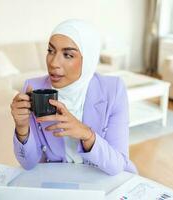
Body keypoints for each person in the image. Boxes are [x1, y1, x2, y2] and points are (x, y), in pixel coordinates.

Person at [10, 19, 137, 175]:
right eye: (50, 51)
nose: (53, 63)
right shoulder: (35, 89)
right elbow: (28, 164)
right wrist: (22, 128)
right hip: (56, 181)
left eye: (68, 55)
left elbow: (117, 165)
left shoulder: (113, 90)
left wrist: (86, 134)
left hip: (102, 177)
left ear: (88, 58)